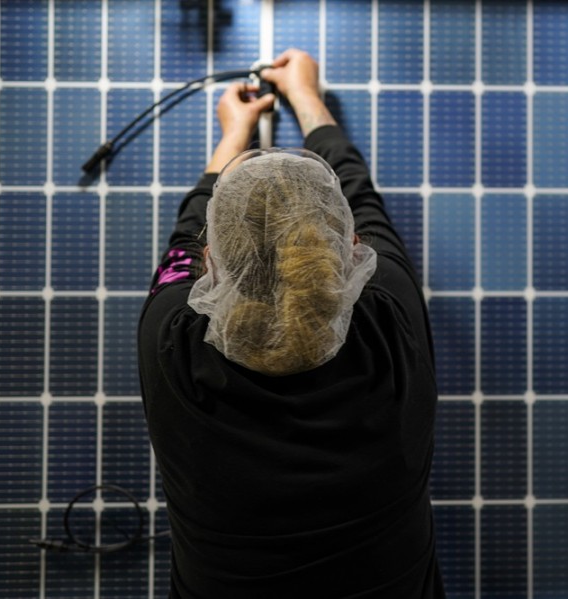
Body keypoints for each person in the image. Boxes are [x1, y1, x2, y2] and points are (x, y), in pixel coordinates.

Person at [138, 49, 444, 598]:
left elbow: (186, 234)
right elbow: (363, 197)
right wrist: (307, 98)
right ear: (353, 250)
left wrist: (235, 133)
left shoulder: (172, 341)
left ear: (211, 261)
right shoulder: (389, 320)